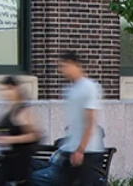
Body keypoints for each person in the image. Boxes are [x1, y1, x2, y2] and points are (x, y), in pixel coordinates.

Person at [34, 52, 106, 186]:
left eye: (65, 66)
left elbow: (90, 122)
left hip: (88, 151)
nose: (63, 70)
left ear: (76, 65)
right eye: (61, 66)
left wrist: (80, 150)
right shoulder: (70, 89)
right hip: (72, 151)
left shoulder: (89, 87)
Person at [0, 75, 41, 186]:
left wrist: (9, 139)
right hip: (8, 160)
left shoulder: (23, 110)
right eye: (2, 90)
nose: (5, 93)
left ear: (16, 88)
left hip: (19, 161)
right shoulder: (12, 109)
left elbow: (35, 135)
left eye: (7, 89)